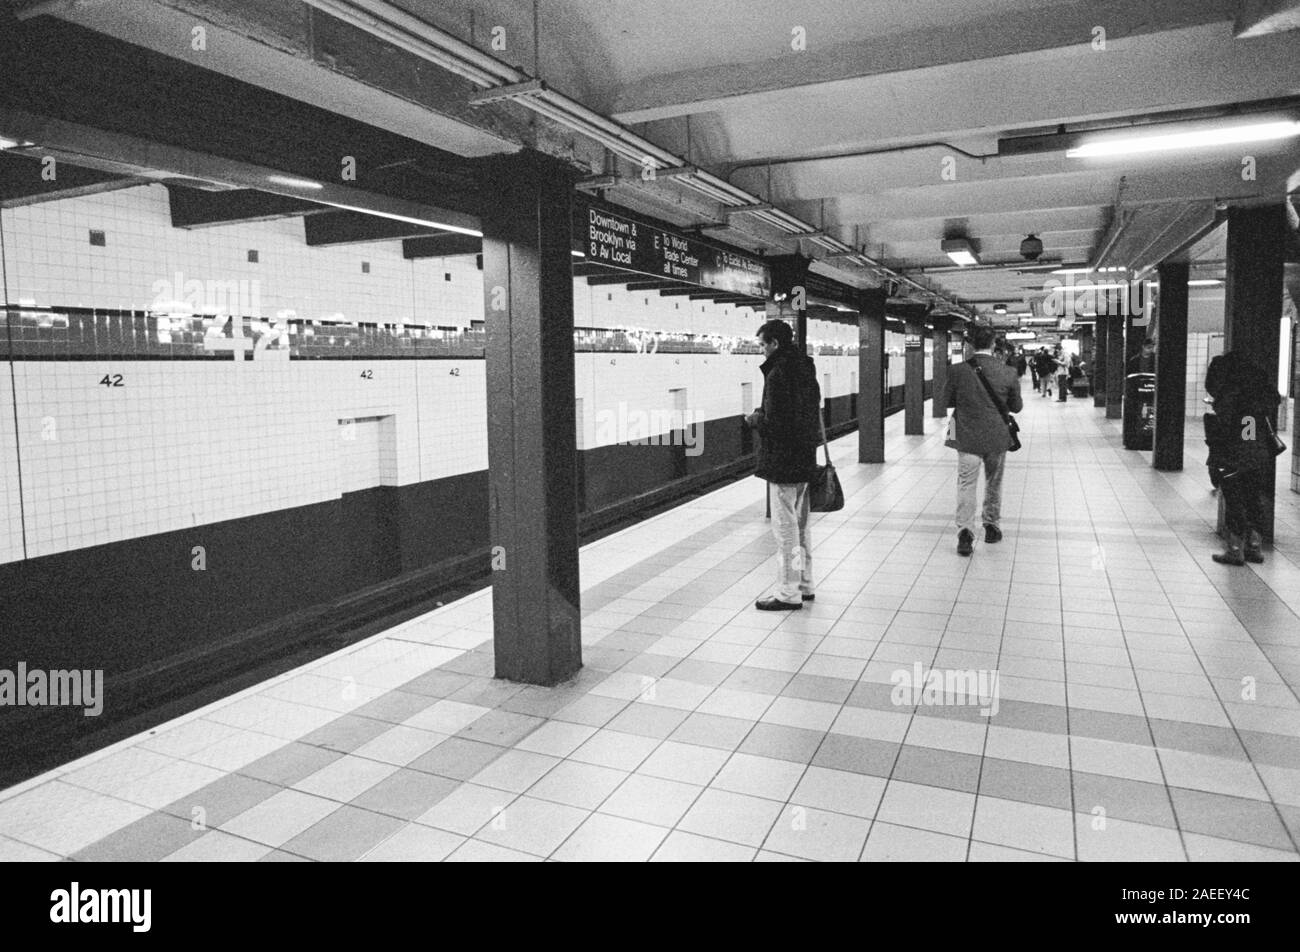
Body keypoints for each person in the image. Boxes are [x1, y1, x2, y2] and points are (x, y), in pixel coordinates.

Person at [745, 319, 822, 609]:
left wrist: (755, 420)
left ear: (775, 343)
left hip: (783, 461)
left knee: (786, 529)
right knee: (801, 526)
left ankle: (788, 591)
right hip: (804, 459)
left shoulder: (778, 373)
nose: (762, 350)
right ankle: (805, 583)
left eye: (763, 345)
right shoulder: (805, 369)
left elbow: (776, 423)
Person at [943, 324, 1023, 556]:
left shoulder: (957, 370)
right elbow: (1016, 407)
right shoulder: (1008, 372)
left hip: (965, 435)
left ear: (970, 344)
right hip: (997, 436)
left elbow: (946, 401)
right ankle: (991, 526)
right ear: (993, 345)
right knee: (993, 482)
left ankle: (965, 533)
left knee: (966, 483)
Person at [1204, 350, 1281, 566]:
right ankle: (1254, 546)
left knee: (1234, 501)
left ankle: (1235, 549)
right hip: (1258, 454)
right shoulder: (1260, 394)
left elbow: (1224, 426)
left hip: (1233, 455)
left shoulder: (1231, 394)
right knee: (1254, 498)